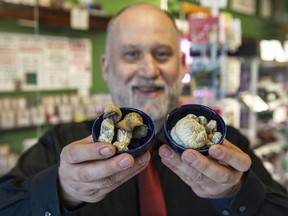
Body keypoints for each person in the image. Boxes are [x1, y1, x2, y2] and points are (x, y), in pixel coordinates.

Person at [0, 3, 288, 216]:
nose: (149, 70)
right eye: (131, 54)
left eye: (162, 54)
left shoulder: (229, 147)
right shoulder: (62, 145)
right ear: (106, 67)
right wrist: (62, 189)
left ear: (183, 65)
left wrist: (237, 193)